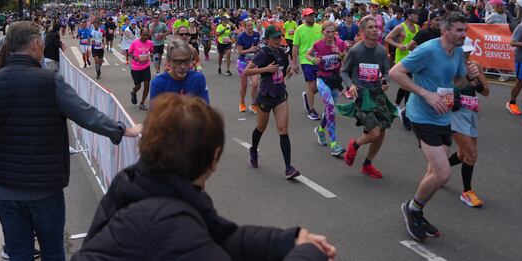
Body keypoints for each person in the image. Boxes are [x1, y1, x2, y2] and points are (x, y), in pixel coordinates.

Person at [72, 94, 336, 260]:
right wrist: (308, 254)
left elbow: (222, 237)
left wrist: (289, 240)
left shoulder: (134, 184)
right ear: (214, 158)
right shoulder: (171, 225)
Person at [0, 21, 142, 261]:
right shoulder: (49, 81)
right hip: (44, 185)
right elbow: (85, 113)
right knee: (52, 251)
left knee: (18, 252)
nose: (43, 47)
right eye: (41, 42)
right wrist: (121, 130)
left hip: (6, 186)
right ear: (33, 45)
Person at [389, 13, 481, 242]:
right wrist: (425, 94)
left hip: (444, 116)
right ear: (445, 30)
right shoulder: (427, 50)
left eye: (465, 30)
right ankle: (412, 208)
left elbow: (456, 82)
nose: (464, 35)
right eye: (459, 30)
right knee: (443, 173)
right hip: (422, 115)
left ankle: (417, 211)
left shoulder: (458, 52)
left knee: (434, 172)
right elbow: (395, 73)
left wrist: (469, 77)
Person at [339, 16, 396, 178]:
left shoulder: (381, 50)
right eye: (370, 27)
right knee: (375, 133)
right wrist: (351, 85)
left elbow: (385, 71)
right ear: (363, 31)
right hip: (362, 96)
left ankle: (367, 164)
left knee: (382, 130)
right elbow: (344, 70)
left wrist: (385, 81)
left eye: (376, 27)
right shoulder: (356, 51)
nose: (375, 30)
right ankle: (355, 145)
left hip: (378, 94)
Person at [244, 25, 302, 179]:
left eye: (279, 37)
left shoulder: (282, 53)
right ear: (267, 39)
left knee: (283, 129)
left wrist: (290, 72)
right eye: (274, 37)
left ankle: (288, 168)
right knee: (261, 127)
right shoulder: (263, 53)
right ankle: (253, 150)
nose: (277, 40)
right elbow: (247, 71)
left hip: (280, 95)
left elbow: (282, 74)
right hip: (265, 96)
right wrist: (265, 69)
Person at [447, 38, 489, 208]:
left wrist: (476, 83)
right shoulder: (448, 66)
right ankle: (467, 191)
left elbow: (486, 91)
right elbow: (442, 88)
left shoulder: (475, 66)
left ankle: (439, 169)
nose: (465, 54)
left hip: (471, 111)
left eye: (468, 51)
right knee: (471, 154)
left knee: (463, 155)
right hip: (454, 112)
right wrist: (465, 78)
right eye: (462, 51)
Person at [309, 21, 348, 157]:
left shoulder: (340, 43)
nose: (331, 35)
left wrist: (340, 54)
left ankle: (320, 130)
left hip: (335, 80)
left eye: (333, 32)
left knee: (329, 110)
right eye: (328, 32)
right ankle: (334, 144)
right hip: (322, 79)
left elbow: (347, 59)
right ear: (323, 32)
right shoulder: (318, 45)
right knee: (331, 109)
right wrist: (313, 60)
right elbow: (308, 54)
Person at [150, 39, 210, 104]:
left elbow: (205, 108)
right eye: (177, 62)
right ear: (169, 61)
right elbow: (155, 112)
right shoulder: (158, 83)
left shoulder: (198, 79)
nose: (183, 67)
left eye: (186, 61)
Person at [292, 8, 323, 121]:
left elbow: (324, 43)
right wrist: (294, 63)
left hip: (319, 60)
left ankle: (308, 96)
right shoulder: (299, 29)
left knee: (321, 86)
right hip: (306, 60)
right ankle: (311, 110)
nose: (311, 17)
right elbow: (295, 47)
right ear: (304, 17)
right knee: (312, 85)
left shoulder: (319, 28)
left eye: (313, 15)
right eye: (309, 16)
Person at [235, 19, 261, 113]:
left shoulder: (256, 35)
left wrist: (257, 49)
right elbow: (240, 51)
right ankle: (242, 102)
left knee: (255, 84)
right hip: (243, 63)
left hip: (253, 62)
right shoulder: (241, 37)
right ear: (244, 27)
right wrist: (250, 49)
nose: (250, 27)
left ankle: (253, 104)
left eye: (251, 25)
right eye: (248, 26)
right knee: (244, 85)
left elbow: (257, 47)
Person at [129, 28, 154, 110]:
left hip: (146, 66)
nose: (145, 37)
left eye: (147, 35)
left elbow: (151, 51)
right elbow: (129, 52)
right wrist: (134, 57)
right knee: (138, 86)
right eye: (144, 35)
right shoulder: (135, 43)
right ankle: (133, 92)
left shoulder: (150, 43)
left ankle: (142, 103)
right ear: (140, 34)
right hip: (136, 68)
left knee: (147, 85)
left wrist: (151, 55)